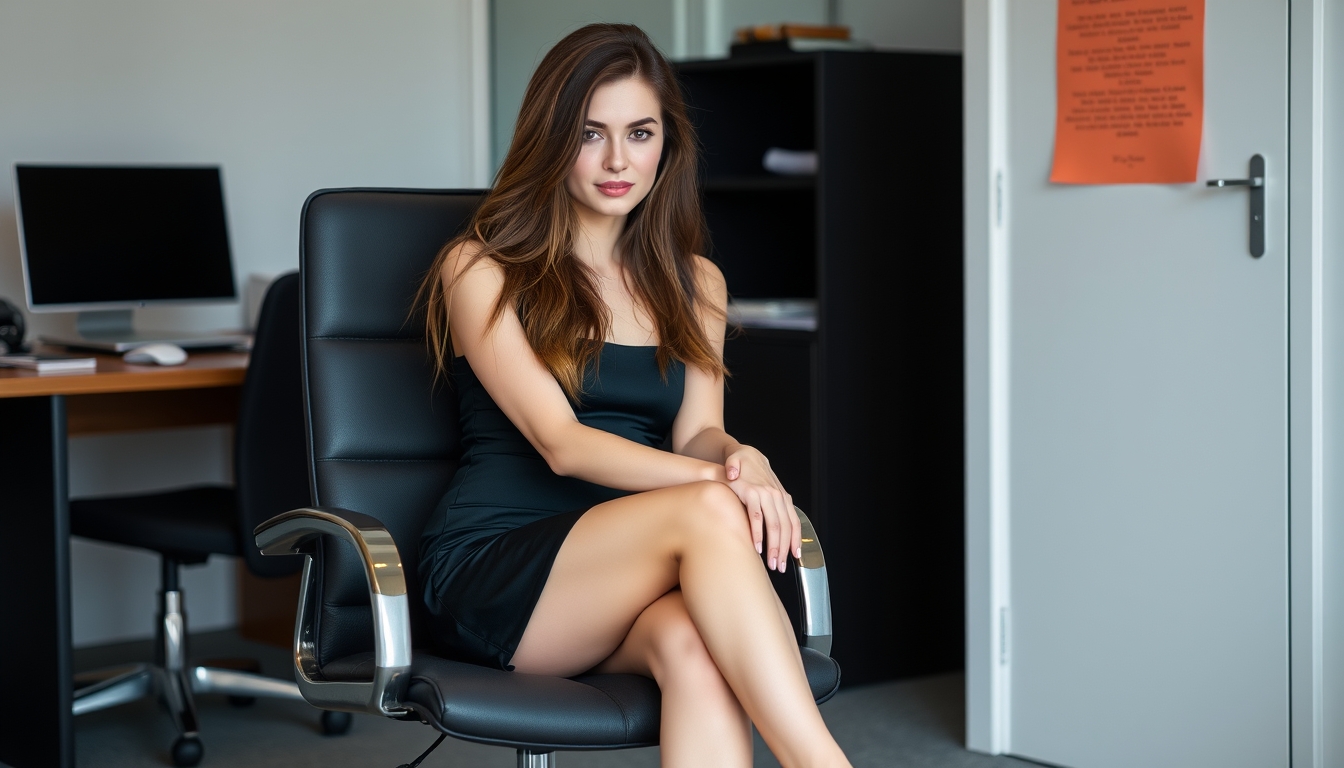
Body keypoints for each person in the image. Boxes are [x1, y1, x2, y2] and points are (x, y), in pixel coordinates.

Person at [416, 23, 851, 768]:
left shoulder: (696, 282)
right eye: (591, 133)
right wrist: (725, 486)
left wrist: (746, 459)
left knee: (695, 646)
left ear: (666, 144)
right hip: (497, 572)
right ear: (552, 140)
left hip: (637, 564)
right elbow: (562, 444)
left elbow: (697, 436)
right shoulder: (481, 267)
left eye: (640, 132)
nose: (619, 160)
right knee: (713, 506)